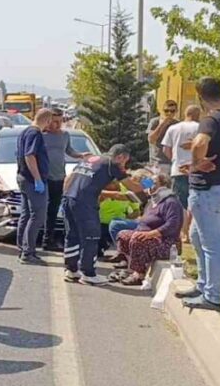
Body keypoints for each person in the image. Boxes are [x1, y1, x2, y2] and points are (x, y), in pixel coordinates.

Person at [63, 144, 143, 286]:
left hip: (69, 197)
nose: (124, 166)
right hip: (85, 202)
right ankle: (88, 273)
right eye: (125, 162)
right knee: (92, 236)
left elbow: (69, 178)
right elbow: (133, 187)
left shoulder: (89, 159)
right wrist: (150, 183)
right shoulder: (112, 164)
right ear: (120, 157)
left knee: (72, 234)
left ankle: (71, 270)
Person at [180, 77, 220, 312]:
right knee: (197, 237)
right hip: (219, 188)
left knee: (213, 244)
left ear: (200, 96)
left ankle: (213, 296)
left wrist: (197, 162)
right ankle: (203, 285)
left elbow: (200, 142)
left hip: (208, 190)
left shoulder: (211, 119)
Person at [109, 171, 183, 286]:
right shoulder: (153, 201)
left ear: (163, 185)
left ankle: (139, 274)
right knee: (123, 234)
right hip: (150, 236)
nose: (149, 185)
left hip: (166, 242)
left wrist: (152, 233)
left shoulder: (170, 202)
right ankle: (131, 267)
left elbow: (173, 225)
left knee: (138, 239)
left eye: (153, 182)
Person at [41, 109, 87, 252]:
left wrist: (80, 155)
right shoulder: (41, 136)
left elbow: (69, 151)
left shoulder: (65, 135)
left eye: (60, 121)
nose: (57, 125)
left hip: (59, 176)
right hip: (43, 177)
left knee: (53, 209)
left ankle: (48, 239)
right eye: (54, 121)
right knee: (40, 210)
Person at [17, 108, 55, 264]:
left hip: (24, 178)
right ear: (47, 120)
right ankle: (28, 252)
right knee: (37, 216)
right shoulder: (35, 133)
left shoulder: (24, 131)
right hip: (33, 181)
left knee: (26, 215)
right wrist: (38, 179)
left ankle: (22, 248)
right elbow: (30, 155)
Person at [162, 104, 202, 246]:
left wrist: (175, 159)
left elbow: (166, 149)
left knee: (181, 203)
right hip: (198, 170)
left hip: (178, 170)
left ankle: (184, 233)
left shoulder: (173, 128)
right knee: (195, 201)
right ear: (198, 114)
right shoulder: (201, 128)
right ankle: (192, 231)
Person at [148, 99, 179, 176]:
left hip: (172, 162)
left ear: (176, 112)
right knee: (152, 185)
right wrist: (162, 124)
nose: (169, 113)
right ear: (162, 110)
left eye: (172, 111)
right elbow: (151, 139)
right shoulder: (155, 122)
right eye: (166, 111)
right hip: (157, 161)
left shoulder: (177, 124)